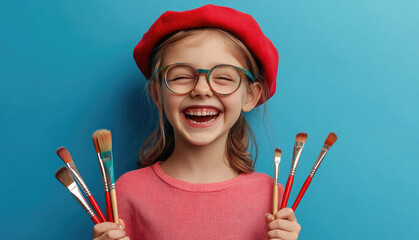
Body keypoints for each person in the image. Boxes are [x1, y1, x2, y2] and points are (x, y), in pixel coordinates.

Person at [92, 4, 301, 240]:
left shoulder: (272, 197)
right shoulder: (127, 192)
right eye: (181, 76)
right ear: (157, 94)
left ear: (251, 96)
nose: (201, 89)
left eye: (223, 77)